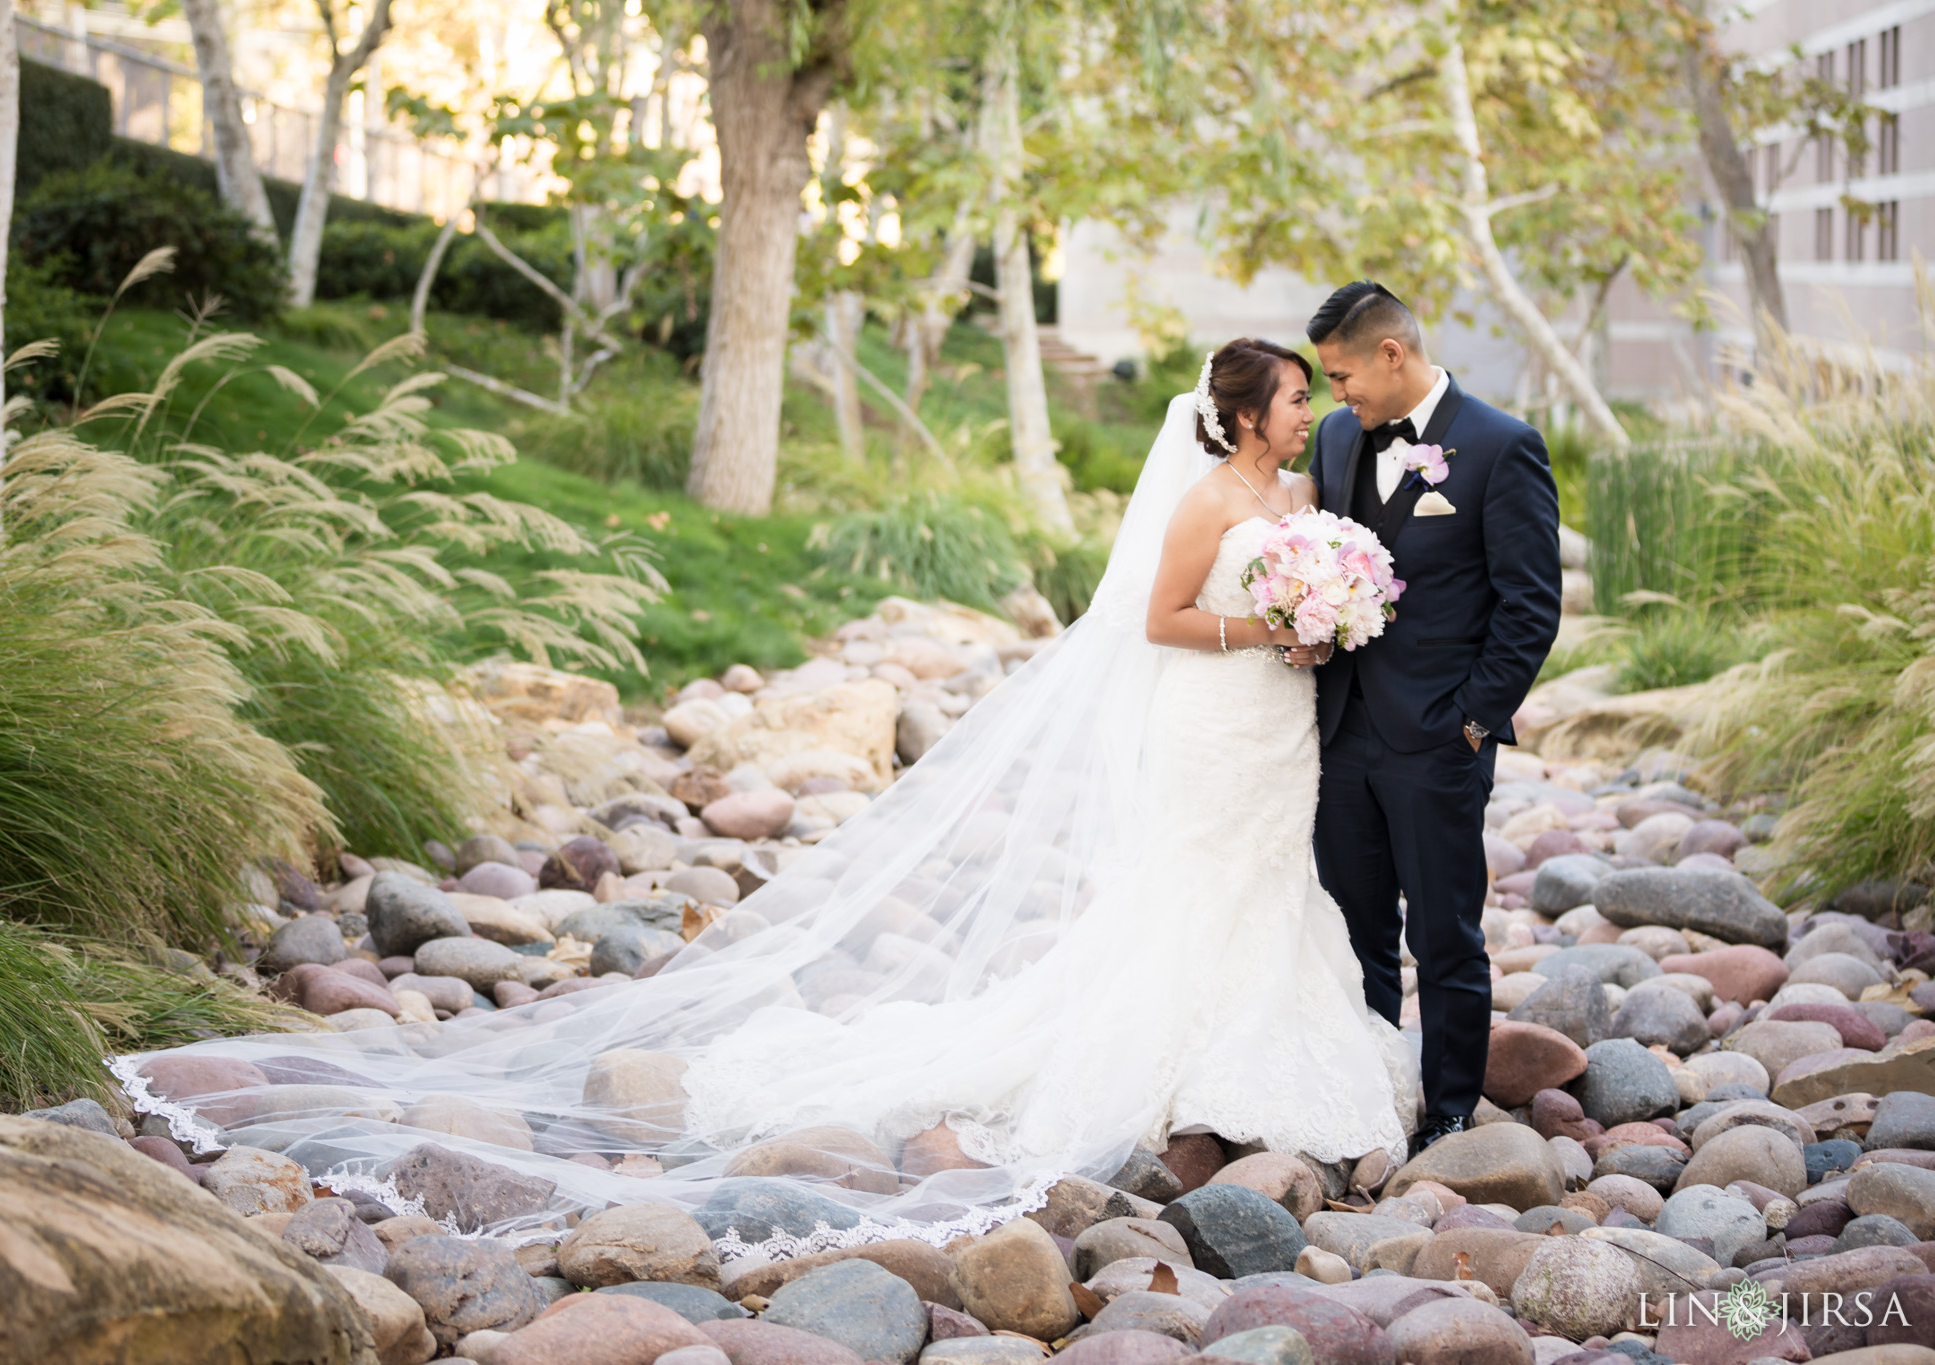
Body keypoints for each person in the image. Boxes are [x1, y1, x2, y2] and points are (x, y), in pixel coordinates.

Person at [114, 343, 1417, 1254]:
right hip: (1220, 713)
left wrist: (1324, 610)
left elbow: (1295, 581)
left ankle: (1261, 1043)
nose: (1307, 413)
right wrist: (1267, 636)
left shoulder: (1290, 495)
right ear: (1246, 410)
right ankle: (1171, 1062)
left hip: (1275, 729)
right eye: (1294, 397)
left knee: (1266, 879)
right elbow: (1161, 618)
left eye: (1308, 396)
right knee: (1198, 881)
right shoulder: (1202, 500)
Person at [1305, 281, 1562, 1155]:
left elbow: (1530, 606)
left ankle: (1451, 1108)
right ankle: (1369, 1090)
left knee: (1444, 933)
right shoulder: (1339, 438)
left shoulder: (1501, 446)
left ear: (1392, 353)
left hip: (1439, 737)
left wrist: (1474, 720)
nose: (1335, 395)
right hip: (1341, 732)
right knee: (1354, 925)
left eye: (1342, 374)